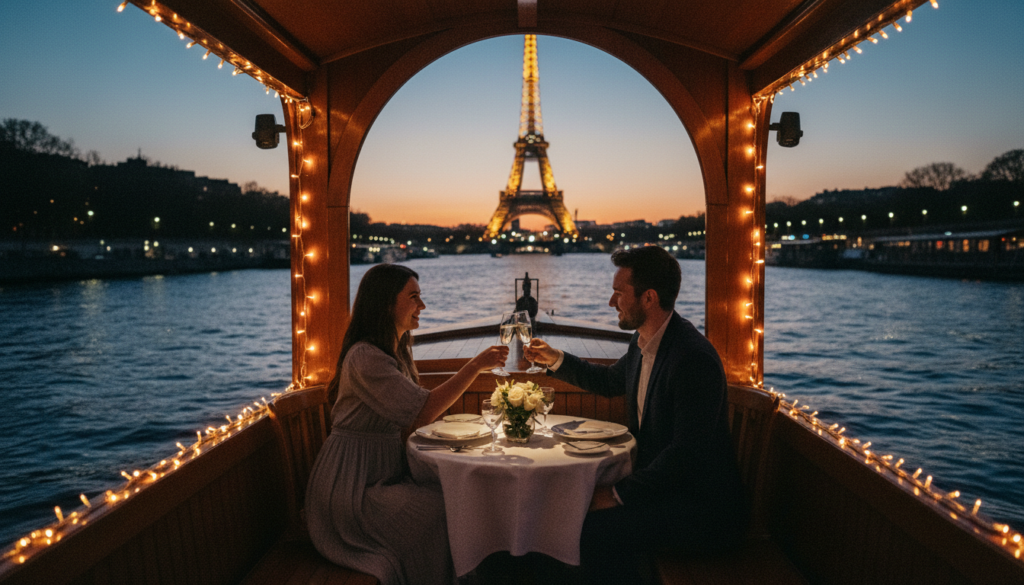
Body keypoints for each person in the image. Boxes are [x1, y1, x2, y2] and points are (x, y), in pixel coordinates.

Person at [524, 246, 749, 583]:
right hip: (664, 491)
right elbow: (610, 381)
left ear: (648, 298)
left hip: (697, 512)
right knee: (568, 518)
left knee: (583, 529)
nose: (611, 302)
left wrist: (616, 494)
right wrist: (555, 358)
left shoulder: (692, 359)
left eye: (618, 293)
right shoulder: (647, 342)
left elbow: (686, 456)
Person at [305, 263, 508, 585]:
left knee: (452, 499)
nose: (422, 306)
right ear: (387, 303)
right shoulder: (366, 357)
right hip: (352, 488)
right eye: (414, 297)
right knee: (444, 507)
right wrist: (475, 366)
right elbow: (422, 412)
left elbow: (414, 406)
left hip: (375, 475)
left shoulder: (394, 350)